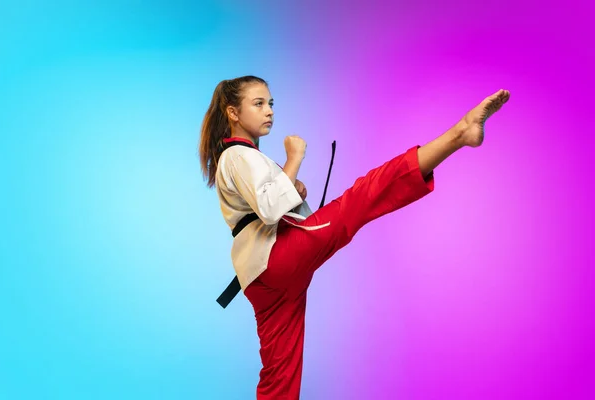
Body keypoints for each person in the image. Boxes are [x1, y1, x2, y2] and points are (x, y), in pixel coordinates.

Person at [198, 75, 510, 399]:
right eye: (259, 103)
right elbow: (271, 207)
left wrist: (292, 187)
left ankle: (461, 133)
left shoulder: (233, 157)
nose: (269, 111)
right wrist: (294, 157)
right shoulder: (238, 155)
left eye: (271, 103)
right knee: (365, 194)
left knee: (279, 372)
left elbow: (268, 200)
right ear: (233, 113)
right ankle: (460, 133)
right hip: (278, 257)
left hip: (258, 276)